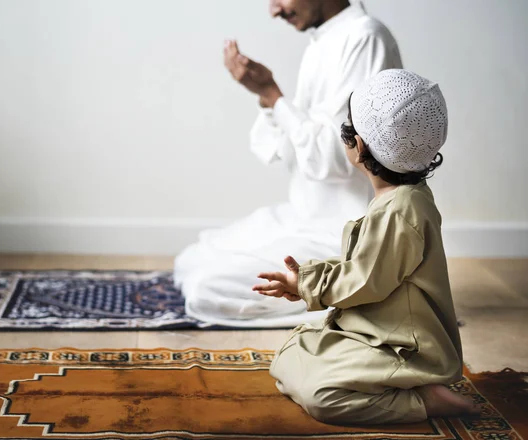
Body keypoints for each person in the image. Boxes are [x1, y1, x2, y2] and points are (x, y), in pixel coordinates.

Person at [252, 69, 481, 424]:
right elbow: (367, 265)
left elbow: (365, 279)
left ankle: (423, 399)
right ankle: (392, 383)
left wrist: (308, 285)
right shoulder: (401, 199)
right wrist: (309, 278)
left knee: (322, 396)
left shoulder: (401, 210)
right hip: (374, 331)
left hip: (405, 347)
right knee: (290, 355)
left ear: (357, 147)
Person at [174, 0, 402, 327]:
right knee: (192, 260)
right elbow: (291, 150)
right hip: (303, 216)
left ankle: (351, 292)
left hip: (345, 232)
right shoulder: (322, 42)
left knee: (206, 287)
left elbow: (341, 157)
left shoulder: (365, 38)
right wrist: (269, 101)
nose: (275, 10)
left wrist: (273, 95)